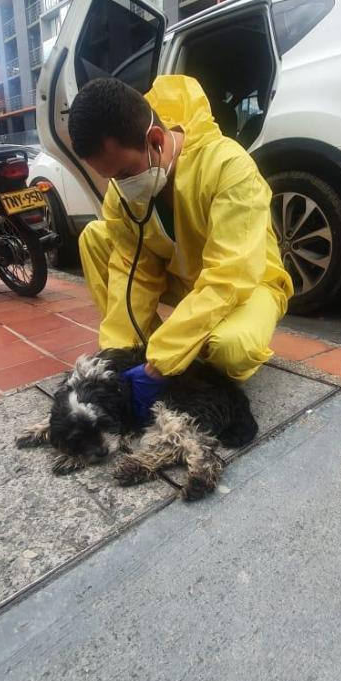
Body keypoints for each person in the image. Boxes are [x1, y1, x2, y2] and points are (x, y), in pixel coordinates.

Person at [68, 75, 293, 421]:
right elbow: (133, 273)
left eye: (126, 171)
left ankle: (175, 352)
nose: (122, 187)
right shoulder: (123, 194)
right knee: (95, 237)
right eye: (112, 178)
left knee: (229, 349)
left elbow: (229, 277)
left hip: (248, 283)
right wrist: (117, 356)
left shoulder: (228, 167)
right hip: (187, 281)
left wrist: (163, 359)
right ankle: (141, 353)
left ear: (156, 140)